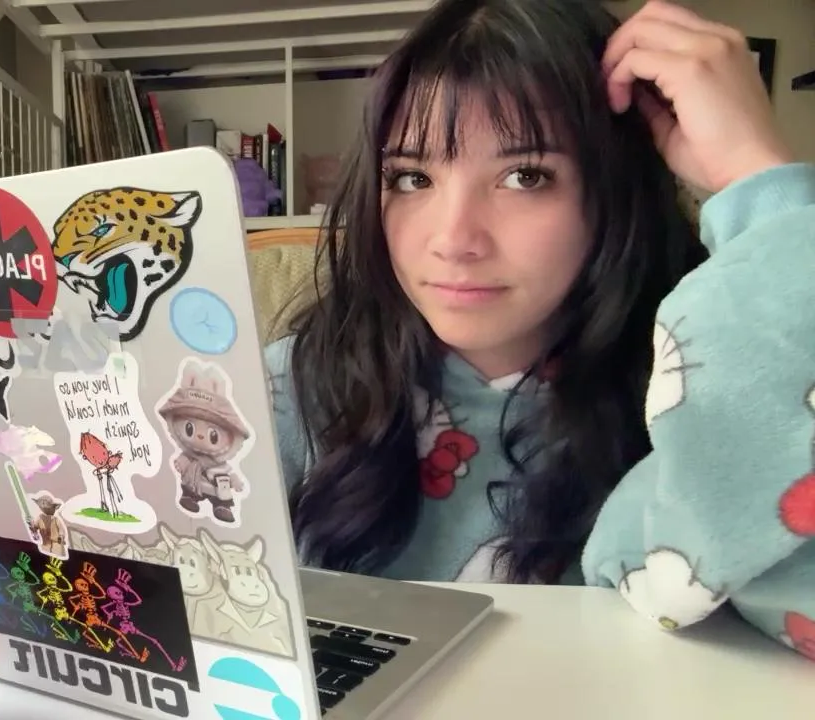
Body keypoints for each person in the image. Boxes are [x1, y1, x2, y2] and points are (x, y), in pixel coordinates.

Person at [266, 0, 815, 659]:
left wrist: (757, 179)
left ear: (614, 191)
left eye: (525, 176)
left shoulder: (698, 387)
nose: (452, 239)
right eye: (412, 177)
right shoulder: (284, 392)